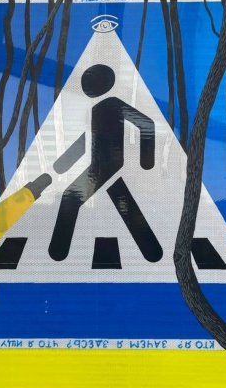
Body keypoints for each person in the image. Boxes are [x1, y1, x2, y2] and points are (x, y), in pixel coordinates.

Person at [48, 63, 162, 262]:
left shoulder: (114, 104)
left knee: (70, 198)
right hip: (101, 166)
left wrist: (147, 161)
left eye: (90, 81)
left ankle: (57, 253)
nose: (85, 86)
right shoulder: (97, 109)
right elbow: (89, 140)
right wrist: (63, 163)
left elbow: (147, 124)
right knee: (125, 204)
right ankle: (153, 252)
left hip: (107, 166)